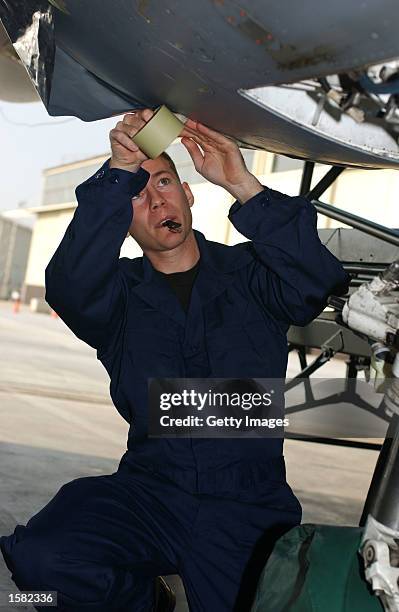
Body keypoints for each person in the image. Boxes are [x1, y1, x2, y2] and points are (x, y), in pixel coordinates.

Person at [0, 109, 350, 611]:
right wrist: (118, 173)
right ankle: (148, 602)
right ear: (122, 220)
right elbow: (69, 285)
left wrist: (243, 183)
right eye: (137, 196)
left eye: (164, 182)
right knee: (39, 570)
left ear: (188, 194)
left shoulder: (253, 275)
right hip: (151, 491)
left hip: (246, 504)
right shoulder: (115, 299)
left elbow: (319, 278)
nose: (156, 197)